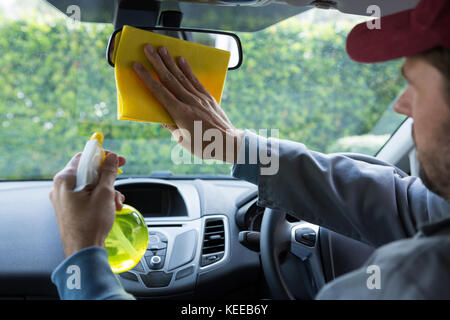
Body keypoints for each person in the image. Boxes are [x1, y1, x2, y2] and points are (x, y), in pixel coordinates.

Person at [50, 0, 450, 299]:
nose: (402, 105)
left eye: (413, 84)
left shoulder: (418, 280)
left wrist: (83, 254)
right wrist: (236, 146)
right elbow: (404, 204)